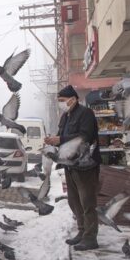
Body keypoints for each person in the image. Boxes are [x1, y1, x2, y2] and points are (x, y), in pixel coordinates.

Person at [44, 85, 102, 251]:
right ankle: (82, 231)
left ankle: (90, 238)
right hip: (70, 165)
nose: (61, 104)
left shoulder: (86, 114)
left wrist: (60, 139)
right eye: (59, 101)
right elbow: (62, 136)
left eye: (62, 101)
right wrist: (52, 141)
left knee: (87, 202)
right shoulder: (65, 116)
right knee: (74, 201)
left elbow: (86, 136)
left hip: (86, 166)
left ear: (73, 99)